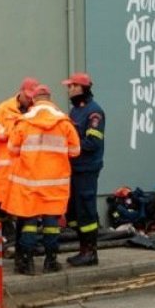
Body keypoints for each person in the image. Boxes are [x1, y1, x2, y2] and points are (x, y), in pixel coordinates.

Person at [3, 85, 80, 275]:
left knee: (29, 222)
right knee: (51, 224)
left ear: (34, 100)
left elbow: (12, 150)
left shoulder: (23, 123)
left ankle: (27, 263)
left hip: (29, 182)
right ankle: (50, 261)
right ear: (50, 99)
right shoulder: (64, 123)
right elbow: (75, 151)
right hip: (55, 184)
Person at [0, 77, 39, 263]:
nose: (30, 100)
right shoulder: (4, 108)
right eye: (28, 96)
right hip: (5, 172)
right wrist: (9, 134)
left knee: (24, 215)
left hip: (24, 173)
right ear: (21, 91)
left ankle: (19, 253)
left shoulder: (36, 110)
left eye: (33, 97)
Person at [63, 72, 105, 267]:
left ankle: (90, 252)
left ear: (82, 88)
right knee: (74, 212)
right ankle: (83, 249)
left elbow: (92, 142)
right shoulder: (75, 111)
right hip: (74, 169)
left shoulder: (94, 112)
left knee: (86, 210)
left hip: (86, 170)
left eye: (72, 86)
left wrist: (69, 146)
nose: (69, 90)